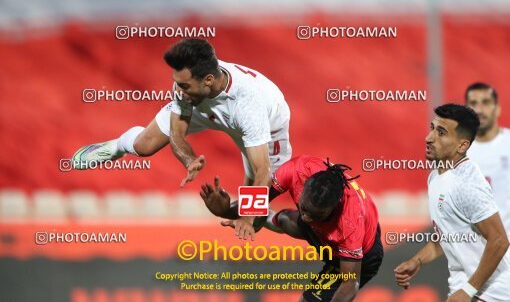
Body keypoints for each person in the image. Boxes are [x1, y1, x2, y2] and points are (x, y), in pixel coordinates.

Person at [71, 39, 292, 187]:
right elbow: (177, 133)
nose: (177, 90)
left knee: (265, 185)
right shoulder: (187, 87)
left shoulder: (247, 103)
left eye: (184, 85)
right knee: (143, 147)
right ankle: (116, 147)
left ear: (208, 81)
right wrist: (188, 159)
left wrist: (248, 217)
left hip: (264, 123)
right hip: (203, 103)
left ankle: (254, 220)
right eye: (176, 82)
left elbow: (262, 168)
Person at [201, 155, 383, 302]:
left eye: (314, 215)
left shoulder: (350, 223)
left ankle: (266, 219)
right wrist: (224, 210)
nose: (305, 217)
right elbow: (256, 201)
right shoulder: (295, 170)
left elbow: (350, 284)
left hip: (361, 257)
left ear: (334, 207)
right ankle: (267, 218)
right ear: (303, 188)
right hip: (325, 236)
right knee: (289, 219)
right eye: (303, 208)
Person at [394, 104, 510, 301]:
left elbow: (499, 240)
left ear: (462, 145)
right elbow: (449, 235)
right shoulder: (435, 177)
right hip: (465, 289)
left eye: (441, 133)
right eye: (432, 128)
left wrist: (468, 291)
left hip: (492, 294)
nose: (429, 138)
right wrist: (417, 261)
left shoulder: (467, 185)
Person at [465, 82, 510, 235]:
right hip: (471, 251)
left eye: (485, 102)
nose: (479, 110)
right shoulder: (456, 150)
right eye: (473, 103)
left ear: (497, 109)